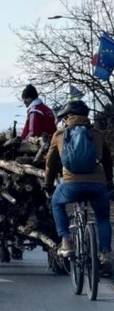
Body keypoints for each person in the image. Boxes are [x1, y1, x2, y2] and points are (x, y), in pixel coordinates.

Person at [43, 100, 113, 276]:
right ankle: (105, 253)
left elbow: (50, 164)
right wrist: (109, 182)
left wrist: (48, 184)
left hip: (71, 184)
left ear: (68, 117)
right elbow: (108, 160)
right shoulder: (97, 134)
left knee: (57, 203)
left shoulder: (59, 135)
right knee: (103, 218)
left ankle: (66, 242)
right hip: (97, 185)